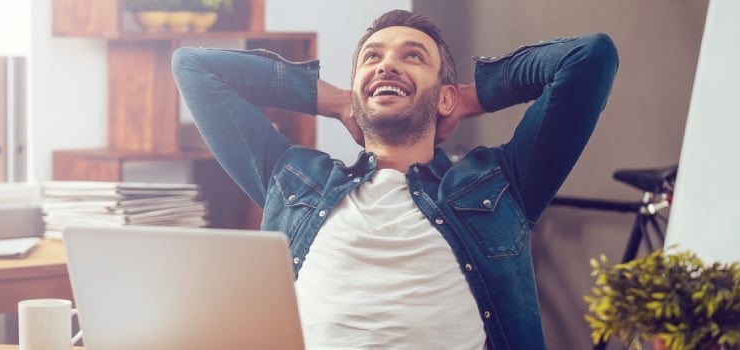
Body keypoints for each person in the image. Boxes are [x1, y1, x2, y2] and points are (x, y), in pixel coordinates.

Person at [172, 9, 618, 350]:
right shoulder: (294, 180)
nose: (387, 66)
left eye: (413, 56)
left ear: (443, 95)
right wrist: (333, 99)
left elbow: (589, 58)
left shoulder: (501, 185)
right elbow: (193, 67)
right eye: (372, 57)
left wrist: (470, 97)